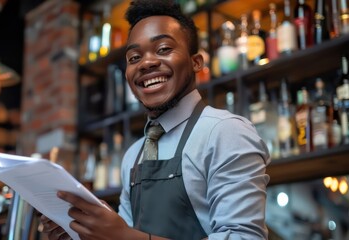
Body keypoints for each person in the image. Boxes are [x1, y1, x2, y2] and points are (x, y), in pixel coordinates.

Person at [40, 0, 270, 239]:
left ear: (196, 63)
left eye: (163, 49)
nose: (146, 63)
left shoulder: (225, 131)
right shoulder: (133, 154)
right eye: (134, 57)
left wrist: (125, 237)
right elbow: (126, 234)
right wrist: (83, 231)